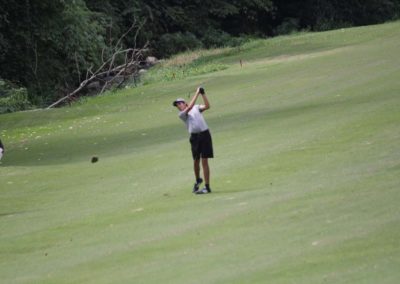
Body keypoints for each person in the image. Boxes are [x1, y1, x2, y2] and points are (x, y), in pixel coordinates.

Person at [173, 87, 214, 194]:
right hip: (195, 138)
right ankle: (198, 179)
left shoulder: (196, 108)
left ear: (184, 103)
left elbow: (208, 106)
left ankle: (207, 186)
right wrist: (197, 93)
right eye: (177, 105)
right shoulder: (182, 114)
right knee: (196, 160)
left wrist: (203, 94)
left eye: (180, 103)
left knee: (205, 160)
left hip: (205, 134)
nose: (178, 106)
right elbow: (190, 106)